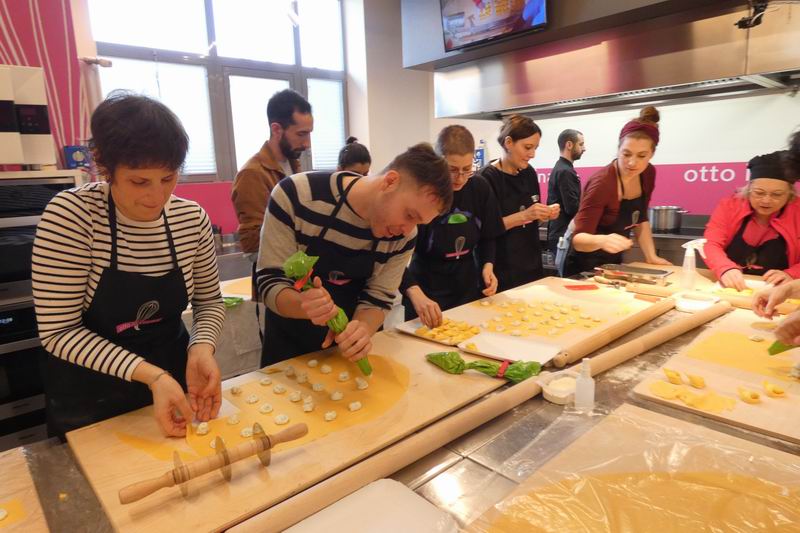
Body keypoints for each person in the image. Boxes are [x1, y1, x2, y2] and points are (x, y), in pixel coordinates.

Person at [32, 93, 225, 438]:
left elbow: (209, 302)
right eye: (140, 182)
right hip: (91, 396)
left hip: (171, 381)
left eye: (168, 179)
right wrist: (152, 375)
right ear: (104, 167)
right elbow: (58, 333)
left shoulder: (190, 219)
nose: (157, 197)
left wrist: (201, 347)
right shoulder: (72, 217)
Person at [256, 143, 452, 366]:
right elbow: (269, 280)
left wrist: (362, 329)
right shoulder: (296, 196)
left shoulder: (405, 236)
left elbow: (379, 297)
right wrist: (304, 305)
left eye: (418, 222)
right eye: (409, 215)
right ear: (390, 182)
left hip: (347, 357)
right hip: (288, 352)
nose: (407, 230)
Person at [400, 126, 505, 327]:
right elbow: (393, 256)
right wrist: (414, 292)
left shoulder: (479, 187)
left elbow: (488, 235)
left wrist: (488, 265)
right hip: (425, 287)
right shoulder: (421, 192)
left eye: (467, 169)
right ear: (438, 163)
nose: (460, 178)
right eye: (453, 170)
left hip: (465, 285)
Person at [561, 106, 670, 277]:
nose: (632, 163)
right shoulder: (602, 184)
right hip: (582, 262)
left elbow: (640, 218)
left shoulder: (648, 174)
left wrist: (651, 256)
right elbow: (579, 240)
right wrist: (603, 240)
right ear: (618, 149)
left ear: (652, 154)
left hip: (612, 263)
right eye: (626, 154)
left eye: (641, 156)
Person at [476, 115, 559, 291]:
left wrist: (546, 214)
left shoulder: (529, 174)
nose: (532, 154)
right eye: (527, 147)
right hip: (500, 269)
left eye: (535, 148)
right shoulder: (486, 179)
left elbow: (533, 219)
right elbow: (485, 229)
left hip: (531, 265)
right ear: (508, 143)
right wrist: (525, 215)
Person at [231, 89, 313, 260]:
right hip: (274, 281)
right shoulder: (252, 174)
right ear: (276, 129)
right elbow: (253, 247)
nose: (307, 144)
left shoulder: (294, 166)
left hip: (299, 275)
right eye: (301, 134)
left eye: (309, 133)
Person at [704, 151, 800, 290]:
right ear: (748, 189)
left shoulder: (797, 212)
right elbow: (711, 243)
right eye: (759, 193)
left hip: (779, 290)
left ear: (790, 195)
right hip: (731, 287)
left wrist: (792, 274)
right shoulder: (730, 206)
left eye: (777, 194)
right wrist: (724, 268)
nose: (766, 200)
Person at [547, 129, 586, 254]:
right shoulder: (565, 171)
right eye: (581, 144)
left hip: (559, 234)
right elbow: (572, 207)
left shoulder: (561, 168)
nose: (584, 148)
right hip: (563, 235)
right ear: (569, 145)